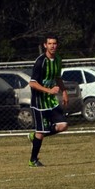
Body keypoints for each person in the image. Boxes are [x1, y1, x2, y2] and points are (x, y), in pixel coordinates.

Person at [28, 35, 69, 167]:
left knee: (63, 125)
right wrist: (49, 90)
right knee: (41, 132)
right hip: (39, 102)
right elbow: (32, 83)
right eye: (50, 43)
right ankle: (33, 160)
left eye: (55, 43)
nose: (52, 46)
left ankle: (34, 136)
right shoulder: (41, 61)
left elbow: (58, 78)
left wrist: (64, 92)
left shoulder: (57, 60)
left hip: (50, 101)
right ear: (45, 45)